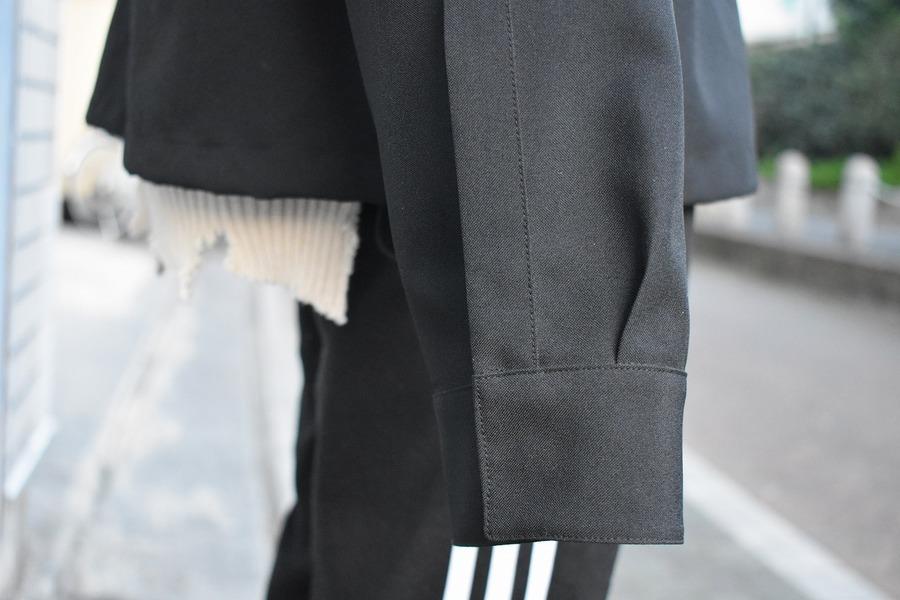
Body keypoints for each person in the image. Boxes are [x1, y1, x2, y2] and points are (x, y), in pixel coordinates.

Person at [87, 1, 756, 597]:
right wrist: (550, 391)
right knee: (414, 538)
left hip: (378, 100)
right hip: (480, 132)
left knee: (347, 542)